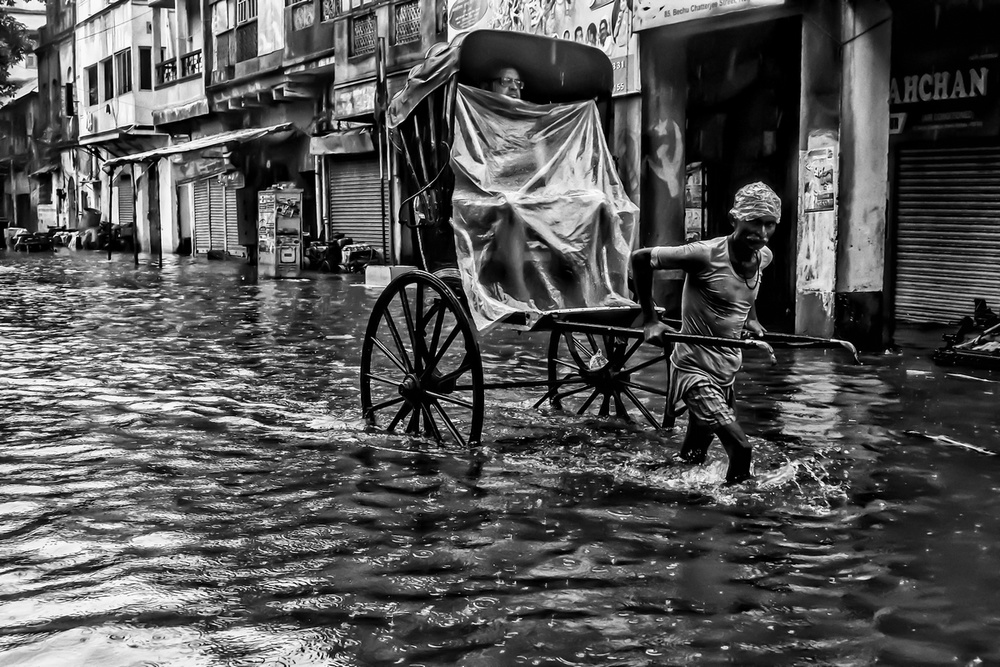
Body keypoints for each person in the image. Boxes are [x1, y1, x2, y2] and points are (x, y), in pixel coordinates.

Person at [630, 181, 781, 485]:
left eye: (769, 225)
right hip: (694, 370)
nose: (762, 233)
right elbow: (640, 258)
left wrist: (751, 319)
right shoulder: (704, 254)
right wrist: (650, 320)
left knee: (694, 456)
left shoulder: (763, 257)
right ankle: (738, 513)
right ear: (734, 219)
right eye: (754, 222)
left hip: (725, 373)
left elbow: (747, 292)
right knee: (741, 448)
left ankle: (653, 484)